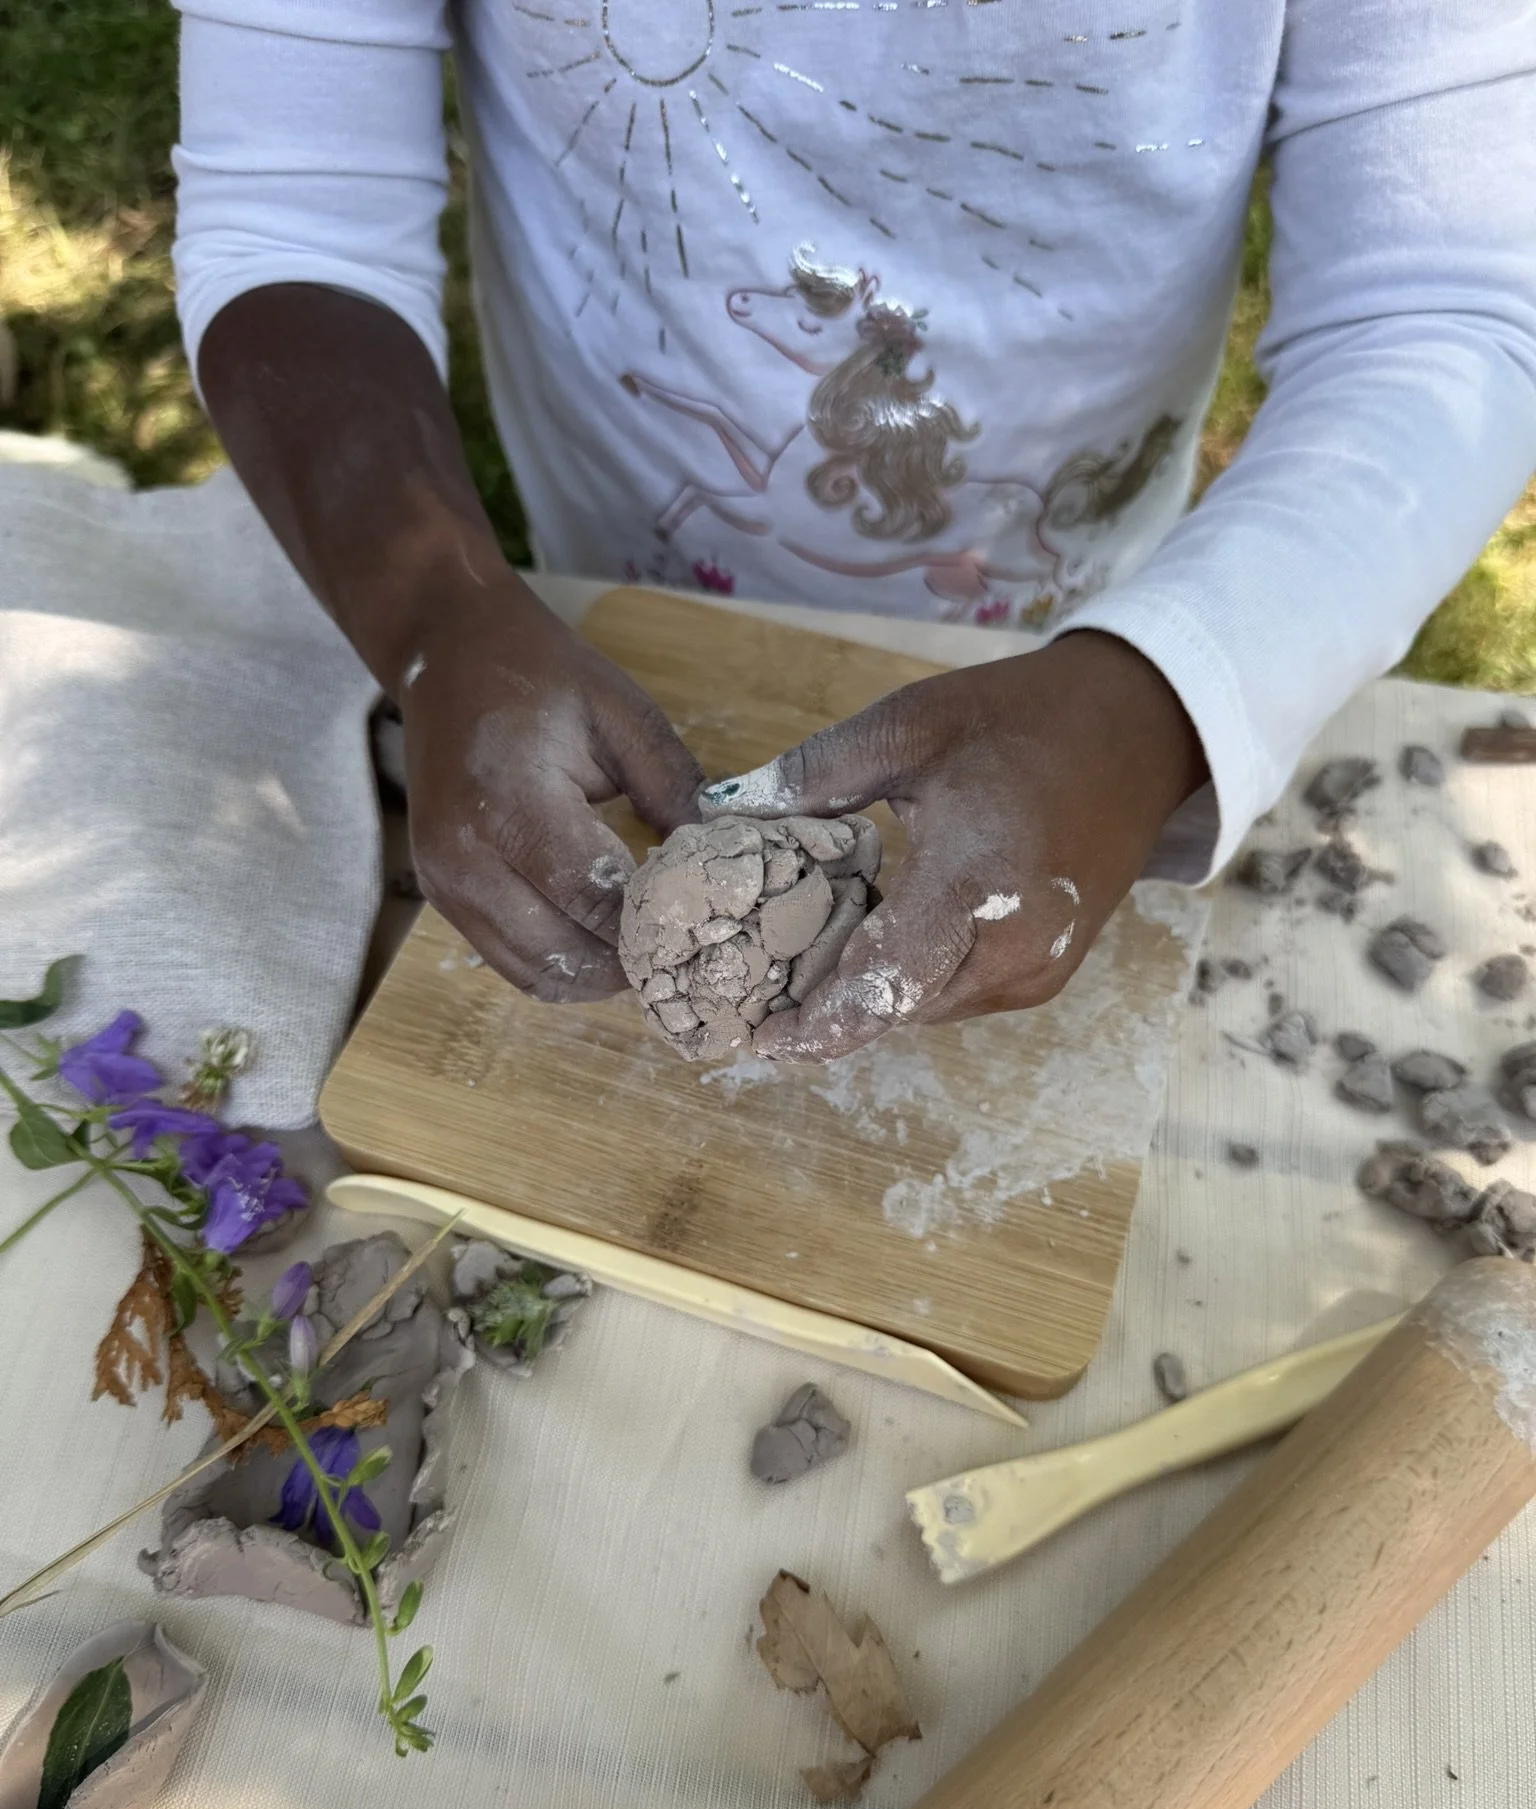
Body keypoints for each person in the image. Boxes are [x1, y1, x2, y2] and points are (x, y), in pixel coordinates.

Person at [173, 2, 1536, 1062]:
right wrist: (439, 616)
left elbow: (1447, 312)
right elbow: (296, 202)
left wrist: (1162, 692)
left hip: (1082, 592)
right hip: (609, 573)